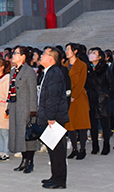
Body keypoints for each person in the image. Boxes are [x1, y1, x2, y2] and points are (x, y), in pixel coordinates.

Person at [38, 47, 69, 190]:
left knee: (57, 151)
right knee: (52, 149)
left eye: (44, 54)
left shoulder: (55, 73)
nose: (41, 56)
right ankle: (55, 176)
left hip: (55, 118)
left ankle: (59, 180)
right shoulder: (49, 72)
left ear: (51, 58)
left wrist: (50, 116)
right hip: (50, 116)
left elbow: (53, 97)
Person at [7, 46, 39, 172]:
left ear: (23, 56)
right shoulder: (13, 71)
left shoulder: (29, 71)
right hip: (15, 106)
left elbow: (32, 92)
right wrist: (8, 107)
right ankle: (24, 160)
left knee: (28, 134)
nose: (13, 55)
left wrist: (33, 110)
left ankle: (30, 161)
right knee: (19, 135)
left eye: (16, 53)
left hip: (25, 107)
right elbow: (10, 90)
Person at [65, 43, 90, 160]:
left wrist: (74, 95)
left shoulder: (82, 65)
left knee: (81, 124)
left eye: (68, 49)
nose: (66, 52)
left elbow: (81, 82)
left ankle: (82, 149)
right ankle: (74, 149)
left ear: (75, 51)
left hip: (79, 98)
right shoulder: (64, 65)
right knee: (70, 125)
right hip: (67, 97)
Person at [86, 47, 112, 155]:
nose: (91, 55)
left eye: (94, 53)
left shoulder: (105, 68)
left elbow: (111, 83)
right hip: (91, 98)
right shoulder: (88, 68)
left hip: (102, 98)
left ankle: (106, 145)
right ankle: (95, 146)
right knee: (93, 124)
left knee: (105, 124)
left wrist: (106, 94)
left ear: (99, 57)